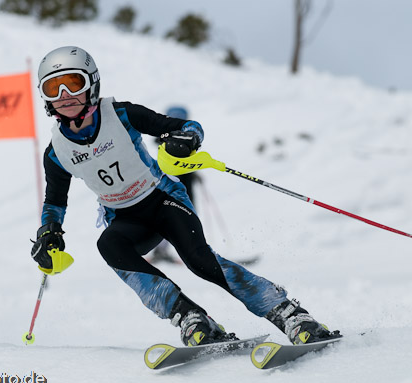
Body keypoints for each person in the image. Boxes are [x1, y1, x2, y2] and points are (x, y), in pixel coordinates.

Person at [30, 46, 340, 347]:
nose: (64, 95)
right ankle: (191, 317)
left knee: (199, 260)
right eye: (53, 87)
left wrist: (186, 138)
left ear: (92, 84)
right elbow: (55, 201)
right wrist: (49, 232)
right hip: (125, 218)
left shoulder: (121, 114)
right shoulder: (56, 152)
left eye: (73, 83)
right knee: (109, 244)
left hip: (162, 199)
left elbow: (186, 126)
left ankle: (290, 314)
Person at [149, 106, 201, 265]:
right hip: (173, 184)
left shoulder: (182, 137)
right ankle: (168, 250)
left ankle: (180, 249)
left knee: (184, 216)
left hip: (182, 182)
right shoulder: (168, 137)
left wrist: (196, 173)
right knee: (176, 216)